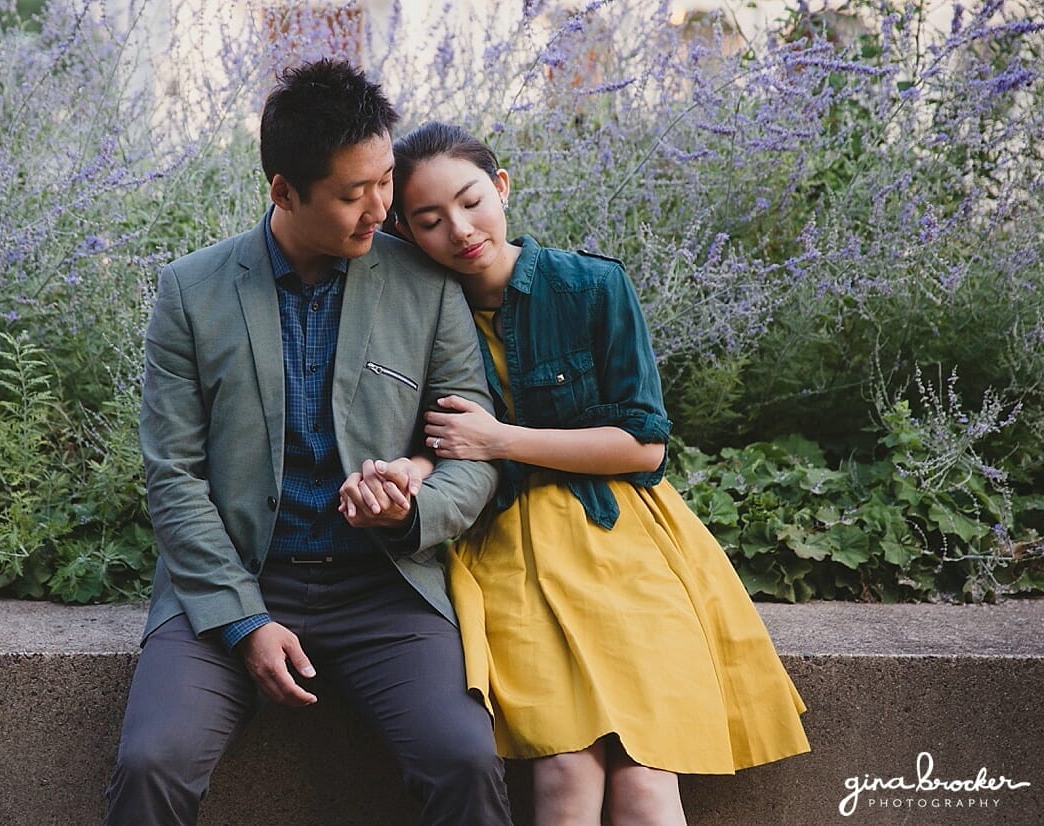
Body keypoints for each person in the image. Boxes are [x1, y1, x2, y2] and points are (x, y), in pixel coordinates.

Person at [104, 67, 512, 826]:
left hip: (386, 584)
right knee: (151, 764)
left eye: (386, 181)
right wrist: (243, 621)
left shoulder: (424, 283)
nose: (381, 209)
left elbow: (471, 449)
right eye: (354, 194)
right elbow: (173, 477)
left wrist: (409, 510)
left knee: (466, 761)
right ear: (284, 192)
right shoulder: (191, 292)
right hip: (233, 582)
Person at [385, 121, 811, 825]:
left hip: (623, 542)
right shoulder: (425, 314)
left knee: (645, 781)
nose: (459, 230)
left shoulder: (589, 285)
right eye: (429, 220)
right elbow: (440, 439)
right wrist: (414, 464)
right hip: (509, 555)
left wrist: (502, 438)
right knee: (565, 774)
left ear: (501, 187)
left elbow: (643, 446)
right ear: (405, 230)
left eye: (470, 201)